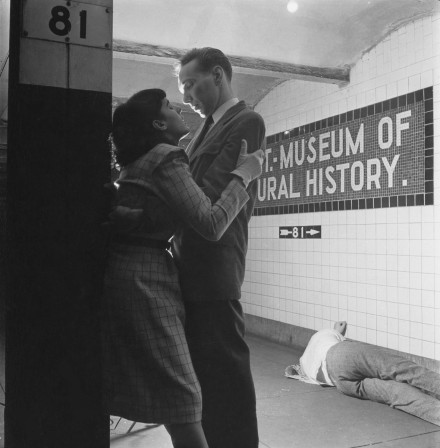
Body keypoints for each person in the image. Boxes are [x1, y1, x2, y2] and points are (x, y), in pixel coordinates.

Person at [101, 88, 264, 448]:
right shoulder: (166, 157)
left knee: (164, 392)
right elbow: (211, 223)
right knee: (184, 397)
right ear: (159, 123)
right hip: (146, 283)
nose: (178, 104)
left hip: (129, 274)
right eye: (168, 105)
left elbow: (152, 210)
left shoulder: (138, 160)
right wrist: (244, 176)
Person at [172, 47, 266, 448]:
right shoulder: (194, 136)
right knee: (202, 380)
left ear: (218, 75)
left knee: (227, 383)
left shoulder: (246, 121)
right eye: (182, 88)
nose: (187, 96)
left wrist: (172, 189)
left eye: (191, 84)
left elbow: (207, 199)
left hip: (216, 272)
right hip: (189, 270)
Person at [285, 322, 440, 426]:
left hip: (340, 383)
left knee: (394, 393)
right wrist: (336, 329)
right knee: (399, 368)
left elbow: (292, 371)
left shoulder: (304, 362)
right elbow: (337, 331)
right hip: (339, 356)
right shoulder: (325, 334)